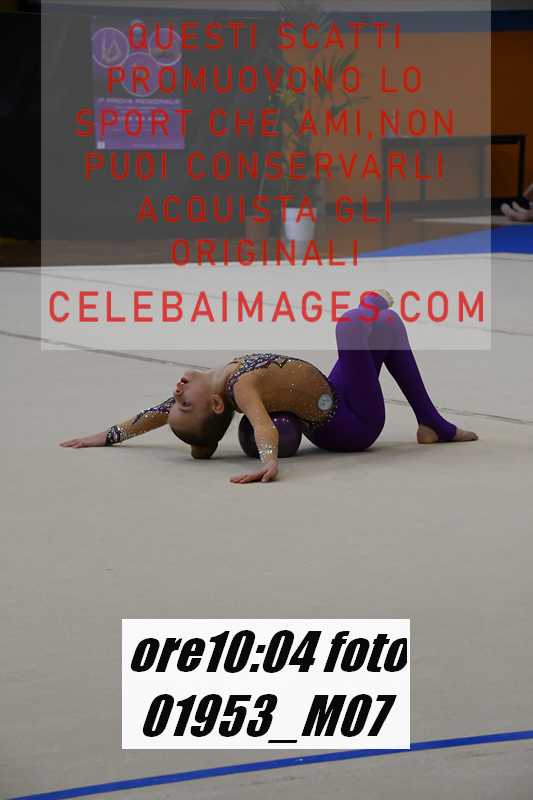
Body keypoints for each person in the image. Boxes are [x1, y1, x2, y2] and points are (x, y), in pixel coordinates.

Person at [60, 291, 478, 484]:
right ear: (217, 406)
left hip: (333, 390)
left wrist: (105, 436)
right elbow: (263, 426)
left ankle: (430, 423)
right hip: (350, 425)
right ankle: (374, 303)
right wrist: (269, 462)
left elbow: (150, 417)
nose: (177, 394)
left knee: (387, 326)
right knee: (354, 323)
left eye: (175, 402)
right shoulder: (240, 387)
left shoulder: (212, 385)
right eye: (184, 405)